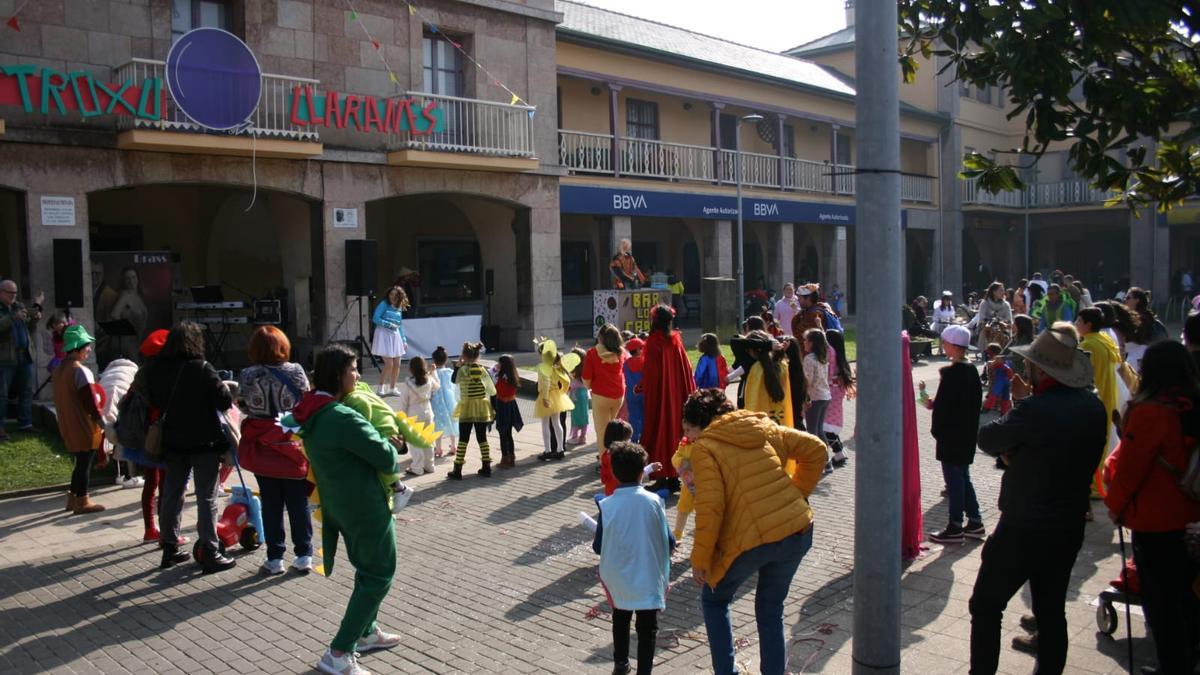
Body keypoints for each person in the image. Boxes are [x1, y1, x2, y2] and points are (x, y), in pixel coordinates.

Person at [971, 323, 1106, 674]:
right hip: (1068, 523)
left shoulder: (1034, 410)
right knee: (1050, 610)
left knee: (986, 605)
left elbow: (987, 439)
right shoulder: (1093, 406)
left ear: (1040, 370)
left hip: (1023, 525)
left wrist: (1020, 405)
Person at [685, 388, 828, 675]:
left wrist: (700, 561)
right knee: (770, 608)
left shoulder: (705, 448)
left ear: (702, 423)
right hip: (796, 529)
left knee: (714, 599)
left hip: (752, 540)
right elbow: (816, 449)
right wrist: (797, 495)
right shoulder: (760, 427)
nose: (688, 438)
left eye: (689, 430)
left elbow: (711, 508)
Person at [283, 344, 403, 675]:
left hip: (339, 503)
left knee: (367, 570)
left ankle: (366, 631)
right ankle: (339, 651)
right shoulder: (342, 416)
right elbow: (387, 458)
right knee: (379, 574)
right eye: (352, 369)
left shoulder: (310, 410)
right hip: (363, 505)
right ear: (338, 374)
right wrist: (391, 442)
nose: (356, 375)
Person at [1103, 340, 1200, 675]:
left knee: (1162, 605)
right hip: (1193, 517)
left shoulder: (1150, 411)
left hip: (1156, 520)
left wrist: (1114, 506)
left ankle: (1173, 667)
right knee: (1190, 597)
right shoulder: (1192, 404)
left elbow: (1129, 470)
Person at [146, 322, 236, 573]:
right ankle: (209, 549)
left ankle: (169, 547)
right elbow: (224, 400)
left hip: (173, 443)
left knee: (172, 495)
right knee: (207, 496)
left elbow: (154, 399)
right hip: (204, 442)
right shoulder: (202, 368)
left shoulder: (158, 370)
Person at [236, 325, 313, 576]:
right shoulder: (295, 371)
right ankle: (304, 554)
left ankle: (275, 557)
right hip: (291, 444)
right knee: (298, 503)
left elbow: (244, 405)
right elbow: (306, 402)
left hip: (262, 445)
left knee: (270, 504)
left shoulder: (247, 374)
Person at [592, 441, 674, 675]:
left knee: (620, 618)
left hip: (618, 575)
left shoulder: (606, 506)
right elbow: (668, 541)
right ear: (642, 472)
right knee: (648, 627)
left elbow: (598, 547)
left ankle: (620, 664)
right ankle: (644, 671)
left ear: (615, 474)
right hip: (648, 574)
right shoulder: (655, 502)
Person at [925, 325, 985, 544]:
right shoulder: (971, 370)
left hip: (951, 434)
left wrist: (938, 431)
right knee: (963, 477)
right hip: (967, 433)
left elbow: (943, 407)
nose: (943, 346)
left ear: (952, 345)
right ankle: (975, 521)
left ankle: (955, 525)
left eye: (945, 342)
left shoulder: (952, 373)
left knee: (955, 481)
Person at [52, 325, 107, 515]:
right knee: (84, 463)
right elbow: (91, 402)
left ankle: (72, 499)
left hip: (67, 424)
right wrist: (102, 422)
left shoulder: (59, 370)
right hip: (83, 425)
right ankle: (82, 501)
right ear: (78, 347)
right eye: (87, 346)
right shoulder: (80, 371)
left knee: (79, 462)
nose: (89, 349)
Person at [639, 305, 695, 490]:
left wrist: (643, 387)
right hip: (676, 397)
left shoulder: (654, 342)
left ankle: (663, 476)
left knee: (660, 432)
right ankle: (673, 478)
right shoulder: (676, 341)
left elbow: (651, 374)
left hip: (661, 397)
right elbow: (686, 370)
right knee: (674, 434)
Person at [1075, 308, 1121, 498]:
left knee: (1093, 446)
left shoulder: (1089, 346)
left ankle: (1095, 487)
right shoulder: (1105, 340)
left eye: (1079, 320)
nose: (1076, 324)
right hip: (1108, 395)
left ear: (1088, 324)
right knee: (1102, 442)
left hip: (1095, 399)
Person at [0, 279, 41, 438]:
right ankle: (1, 426)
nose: (13, 296)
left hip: (25, 354)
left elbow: (31, 327)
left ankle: (26, 423)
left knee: (26, 390)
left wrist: (35, 317)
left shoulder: (19, 306)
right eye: (10, 293)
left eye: (15, 293)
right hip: (5, 358)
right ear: (1, 292)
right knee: (2, 394)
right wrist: (13, 317)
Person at [449, 342, 496, 477]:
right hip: (481, 407)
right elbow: (492, 391)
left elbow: (454, 380)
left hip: (467, 407)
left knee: (463, 438)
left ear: (463, 355)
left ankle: (457, 469)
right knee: (482, 438)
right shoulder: (483, 370)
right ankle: (486, 466)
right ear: (477, 355)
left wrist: (458, 364)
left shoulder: (462, 370)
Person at [583, 324, 626, 459]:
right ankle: (617, 458)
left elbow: (586, 378)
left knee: (602, 432)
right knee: (616, 429)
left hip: (600, 395)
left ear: (600, 338)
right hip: (619, 395)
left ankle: (605, 462)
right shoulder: (621, 352)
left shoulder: (592, 353)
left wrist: (589, 386)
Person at [736, 330, 793, 429]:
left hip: (760, 422)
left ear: (751, 350)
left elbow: (753, 400)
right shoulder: (782, 365)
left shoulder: (755, 368)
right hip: (778, 418)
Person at [397, 356, 439, 476]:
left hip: (414, 414)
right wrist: (433, 372)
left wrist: (402, 419)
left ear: (411, 369)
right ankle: (430, 465)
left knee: (415, 442)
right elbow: (438, 386)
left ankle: (417, 467)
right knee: (428, 439)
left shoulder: (408, 383)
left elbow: (404, 403)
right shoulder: (429, 380)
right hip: (428, 411)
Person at [534, 338, 573, 462]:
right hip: (557, 395)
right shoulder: (557, 366)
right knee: (557, 423)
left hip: (546, 396)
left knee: (545, 424)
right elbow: (566, 380)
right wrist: (562, 392)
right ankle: (560, 449)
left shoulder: (542, 366)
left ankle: (548, 450)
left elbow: (545, 382)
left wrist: (545, 397)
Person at [802, 329, 832, 473]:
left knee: (812, 431)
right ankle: (826, 461)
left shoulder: (809, 359)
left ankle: (817, 462)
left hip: (814, 397)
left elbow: (807, 381)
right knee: (819, 430)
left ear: (811, 343)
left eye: (806, 340)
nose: (804, 343)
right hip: (825, 396)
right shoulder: (822, 357)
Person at [371, 286, 408, 396]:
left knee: (397, 363)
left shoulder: (399, 307)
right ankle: (380, 388)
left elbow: (399, 324)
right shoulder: (384, 304)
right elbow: (375, 318)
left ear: (399, 296)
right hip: (383, 334)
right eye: (391, 294)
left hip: (395, 335)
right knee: (389, 364)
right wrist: (388, 324)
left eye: (395, 295)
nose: (392, 296)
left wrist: (404, 339)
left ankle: (392, 388)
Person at [825, 329, 855, 468]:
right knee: (830, 423)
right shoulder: (840, 354)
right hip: (838, 391)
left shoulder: (830, 352)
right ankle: (840, 451)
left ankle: (838, 453)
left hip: (830, 390)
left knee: (825, 425)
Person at [490, 354, 523, 469]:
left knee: (503, 432)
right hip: (511, 405)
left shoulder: (503, 377)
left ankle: (505, 458)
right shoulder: (513, 375)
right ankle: (512, 456)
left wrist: (495, 372)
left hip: (503, 406)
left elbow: (498, 389)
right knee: (508, 433)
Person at [109, 266, 149, 361]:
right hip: (128, 343)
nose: (131, 281)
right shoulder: (125, 295)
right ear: (124, 281)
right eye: (128, 278)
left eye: (133, 277)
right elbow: (114, 315)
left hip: (139, 341)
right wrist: (126, 332)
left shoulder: (139, 296)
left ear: (137, 278)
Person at [429, 346, 459, 459]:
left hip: (437, 400)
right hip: (450, 399)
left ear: (433, 360)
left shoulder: (432, 373)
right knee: (452, 420)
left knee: (438, 423)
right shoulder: (449, 372)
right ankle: (453, 445)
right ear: (446, 360)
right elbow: (454, 386)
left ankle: (438, 447)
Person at [970, 281, 1014, 351]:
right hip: (987, 333)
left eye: (1003, 290)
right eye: (1001, 290)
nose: (1003, 293)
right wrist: (990, 323)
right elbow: (981, 320)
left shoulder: (1006, 305)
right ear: (994, 292)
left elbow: (1009, 321)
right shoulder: (984, 303)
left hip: (1003, 334)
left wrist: (1000, 321)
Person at [600, 418, 635, 496]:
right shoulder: (628, 456)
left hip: (610, 492)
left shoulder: (605, 455)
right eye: (629, 438)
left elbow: (604, 479)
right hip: (627, 492)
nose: (630, 440)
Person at [622, 337, 646, 443]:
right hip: (645, 393)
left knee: (633, 416)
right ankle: (645, 437)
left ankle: (634, 438)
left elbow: (625, 377)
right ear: (638, 350)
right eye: (641, 347)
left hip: (631, 394)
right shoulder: (645, 361)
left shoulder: (626, 363)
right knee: (645, 415)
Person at [980, 343, 1013, 416]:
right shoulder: (996, 362)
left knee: (997, 394)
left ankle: (987, 407)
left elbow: (1009, 373)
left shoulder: (1001, 363)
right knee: (1003, 396)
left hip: (1001, 381)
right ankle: (1002, 410)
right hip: (1001, 381)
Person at [568, 349, 591, 445]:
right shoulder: (585, 369)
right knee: (584, 415)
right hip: (585, 394)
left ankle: (574, 437)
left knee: (576, 416)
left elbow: (570, 385)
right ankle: (583, 437)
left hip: (576, 395)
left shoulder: (573, 371)